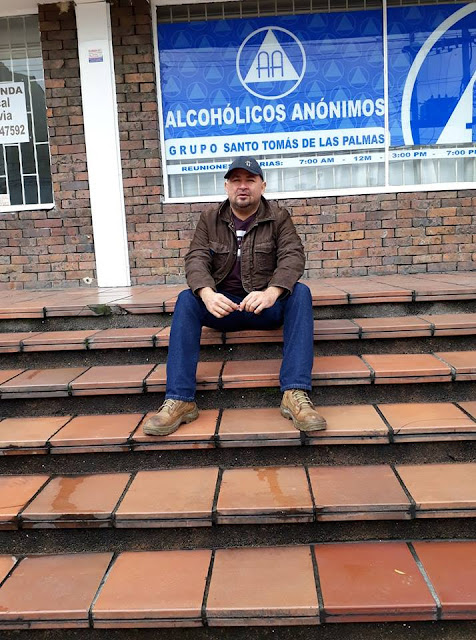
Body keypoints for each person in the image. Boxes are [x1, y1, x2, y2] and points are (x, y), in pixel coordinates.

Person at [143, 156, 327, 436]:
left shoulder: (278, 217)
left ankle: (295, 393)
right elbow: (196, 258)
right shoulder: (210, 218)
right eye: (236, 180)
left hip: (264, 308)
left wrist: (272, 292)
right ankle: (180, 399)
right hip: (223, 309)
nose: (243, 186)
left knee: (300, 293)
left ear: (262, 186)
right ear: (226, 186)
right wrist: (207, 294)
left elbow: (293, 256)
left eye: (250, 180)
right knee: (186, 299)